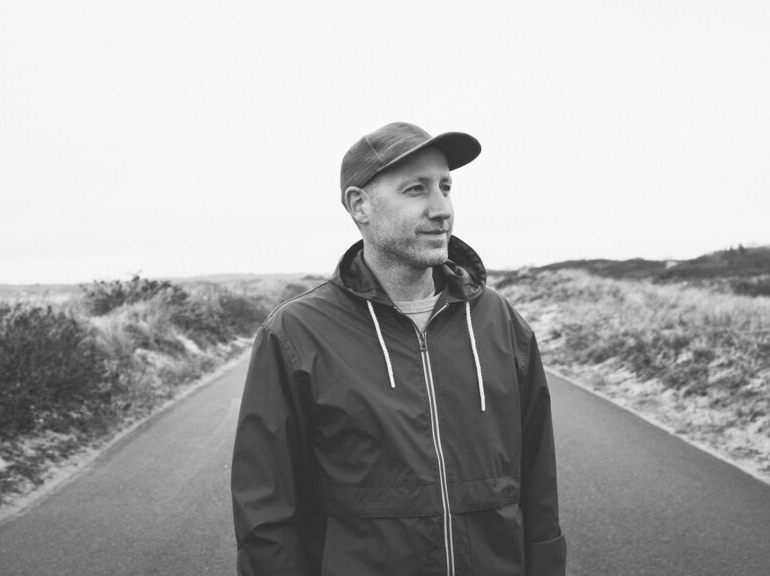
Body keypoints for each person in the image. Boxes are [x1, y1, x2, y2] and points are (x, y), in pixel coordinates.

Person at [231, 122, 566, 576]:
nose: (441, 209)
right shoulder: (296, 333)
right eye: (416, 189)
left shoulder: (498, 321)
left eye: (445, 187)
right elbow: (266, 513)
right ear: (360, 205)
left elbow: (539, 484)